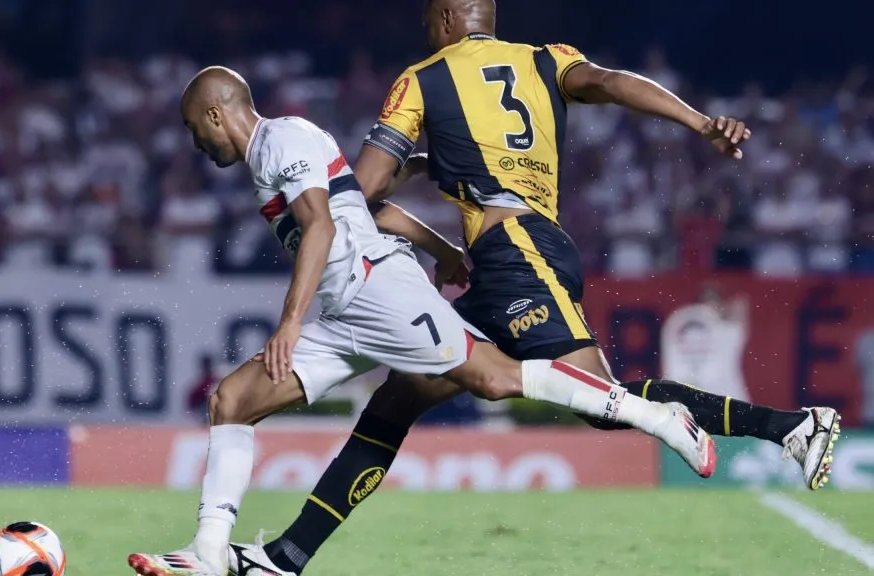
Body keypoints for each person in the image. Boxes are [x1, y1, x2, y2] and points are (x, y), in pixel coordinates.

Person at [228, 1, 841, 574]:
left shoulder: (423, 78)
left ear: (445, 18)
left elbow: (363, 189)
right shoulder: (544, 58)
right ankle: (286, 557)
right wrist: (699, 120)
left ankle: (791, 426)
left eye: (427, 21)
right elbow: (610, 81)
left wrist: (372, 184)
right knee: (398, 398)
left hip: (516, 251)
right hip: (514, 255)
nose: (425, 31)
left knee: (603, 399)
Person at [127, 66, 714, 576]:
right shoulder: (268, 158)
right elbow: (363, 206)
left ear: (214, 111)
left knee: (494, 379)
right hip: (340, 313)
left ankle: (657, 417)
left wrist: (289, 323)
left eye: (191, 126)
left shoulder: (283, 139)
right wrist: (441, 249)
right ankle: (208, 552)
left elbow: (323, 227)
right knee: (232, 400)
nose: (194, 140)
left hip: (377, 291)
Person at [662, 285, 751, 401]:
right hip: (711, 404)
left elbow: (741, 303)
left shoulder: (727, 331)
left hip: (725, 402)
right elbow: (741, 304)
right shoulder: (722, 332)